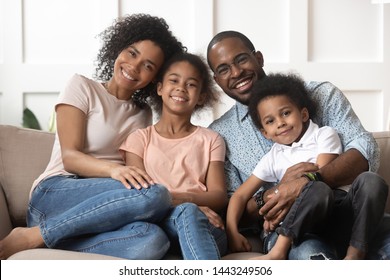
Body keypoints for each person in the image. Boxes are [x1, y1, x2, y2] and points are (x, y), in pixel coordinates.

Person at [0, 13, 186, 260]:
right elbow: (70, 157)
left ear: (155, 79)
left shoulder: (143, 113)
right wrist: (114, 170)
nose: (134, 66)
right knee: (155, 194)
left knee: (152, 240)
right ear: (119, 48)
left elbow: (137, 174)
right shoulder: (82, 87)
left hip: (98, 209)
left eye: (148, 66)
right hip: (55, 193)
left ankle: (51, 239)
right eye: (132, 53)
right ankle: (33, 235)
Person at [207, 30, 390, 260]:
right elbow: (236, 205)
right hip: (290, 231)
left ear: (259, 58)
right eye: (223, 69)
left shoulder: (321, 95)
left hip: (347, 214)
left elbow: (365, 150)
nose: (236, 72)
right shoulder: (221, 134)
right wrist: (278, 191)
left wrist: (307, 183)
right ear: (216, 79)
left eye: (241, 59)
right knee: (310, 255)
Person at [120, 52, 228, 259]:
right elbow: (140, 196)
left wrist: (187, 204)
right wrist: (190, 204)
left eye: (191, 84)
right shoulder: (139, 139)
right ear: (160, 88)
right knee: (184, 213)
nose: (181, 88)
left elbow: (218, 196)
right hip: (161, 225)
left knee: (189, 214)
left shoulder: (212, 140)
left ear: (201, 97)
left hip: (206, 227)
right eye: (174, 81)